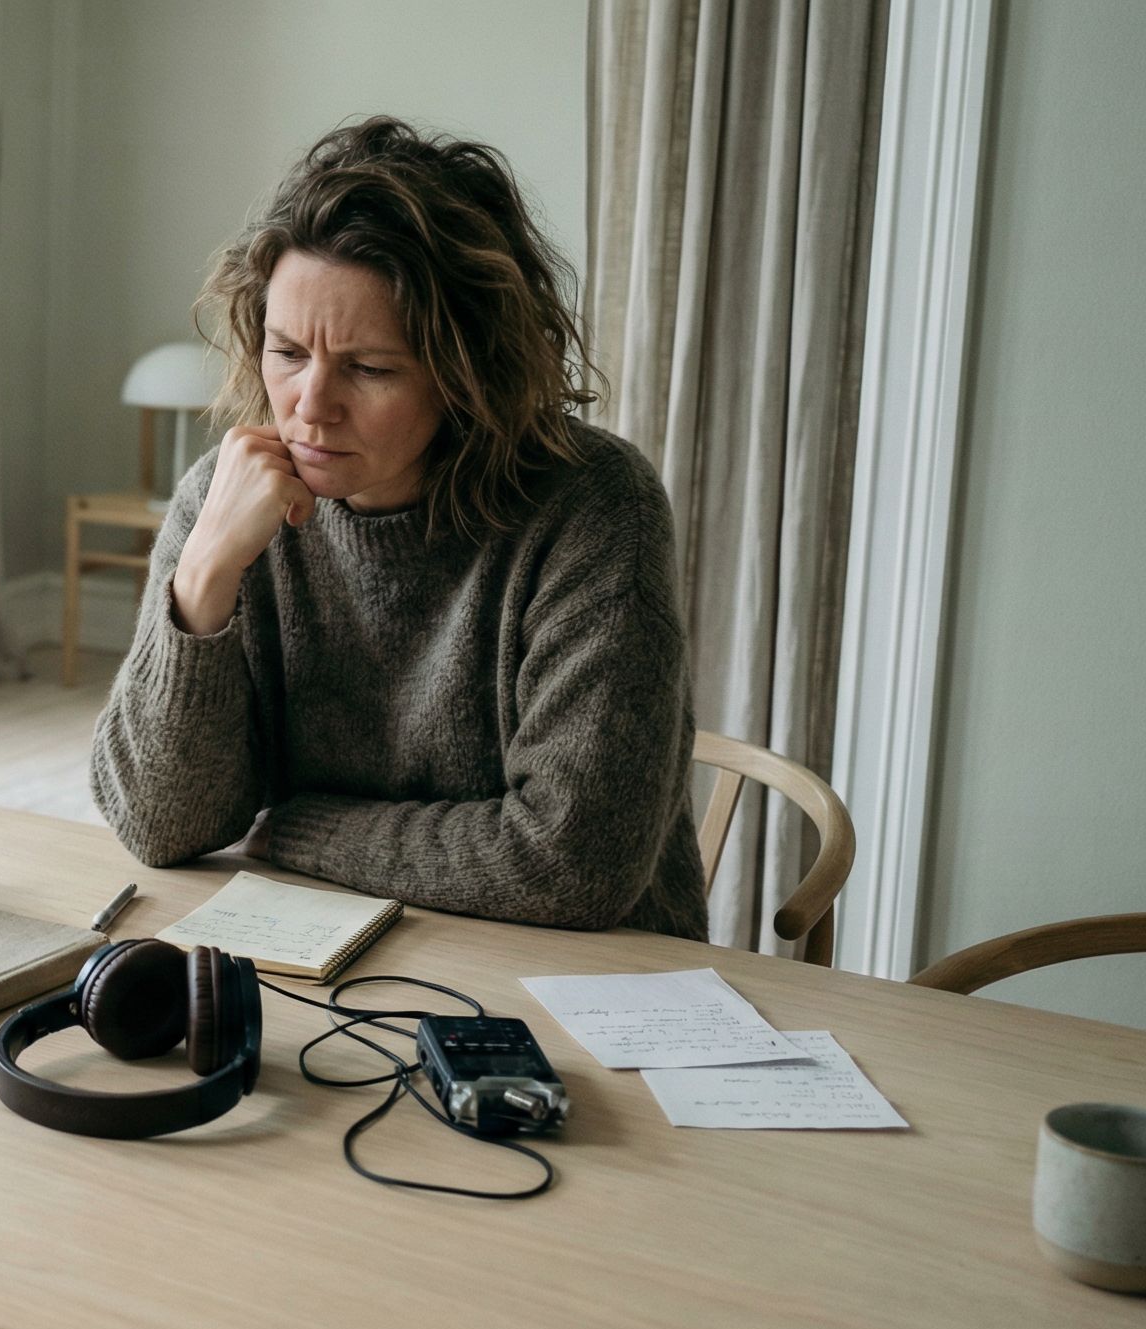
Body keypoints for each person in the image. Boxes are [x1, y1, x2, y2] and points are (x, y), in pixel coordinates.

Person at [90, 116, 706, 938]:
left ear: (466, 376)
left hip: (583, 985)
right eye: (286, 353)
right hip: (320, 951)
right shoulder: (229, 496)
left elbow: (570, 865)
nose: (310, 406)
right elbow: (160, 825)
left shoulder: (593, 507)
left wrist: (297, 826)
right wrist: (202, 581)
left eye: (369, 368)